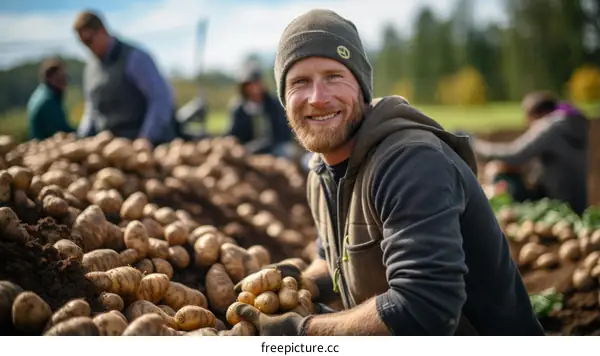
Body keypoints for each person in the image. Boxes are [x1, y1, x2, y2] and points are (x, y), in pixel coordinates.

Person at [232, 9, 545, 336]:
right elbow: (335, 262)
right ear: (284, 98)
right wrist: (305, 283)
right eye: (299, 82)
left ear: (362, 86)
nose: (318, 98)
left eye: (333, 76)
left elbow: (425, 308)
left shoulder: (411, 161)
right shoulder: (321, 171)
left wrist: (302, 333)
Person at [472, 91, 589, 215]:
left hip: (558, 204)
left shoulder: (550, 126)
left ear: (538, 113)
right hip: (577, 202)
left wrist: (473, 146)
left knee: (504, 180)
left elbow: (514, 155)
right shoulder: (570, 124)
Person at [73, 10, 177, 146]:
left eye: (89, 40)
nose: (88, 47)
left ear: (102, 31)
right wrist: (81, 137)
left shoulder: (135, 58)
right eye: (83, 43)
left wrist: (146, 137)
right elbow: (91, 109)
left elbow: (160, 98)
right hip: (108, 146)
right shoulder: (90, 69)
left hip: (145, 145)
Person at [226, 65, 296, 157]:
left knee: (287, 152)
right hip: (246, 149)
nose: (253, 88)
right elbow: (234, 134)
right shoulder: (239, 108)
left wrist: (266, 144)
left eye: (255, 83)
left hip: (275, 146)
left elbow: (283, 132)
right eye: (249, 85)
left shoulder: (273, 104)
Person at [27, 57, 75, 140]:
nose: (66, 82)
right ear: (51, 78)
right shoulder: (48, 101)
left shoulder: (42, 93)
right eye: (62, 77)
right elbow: (62, 132)